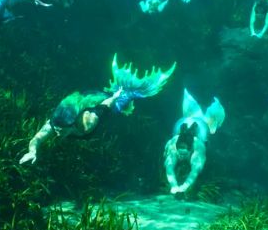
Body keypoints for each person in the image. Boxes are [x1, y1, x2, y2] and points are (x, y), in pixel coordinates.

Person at [19, 54, 176, 164]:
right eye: (57, 128)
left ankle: (130, 89)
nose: (58, 132)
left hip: (102, 103)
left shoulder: (88, 123)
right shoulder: (55, 124)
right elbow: (37, 138)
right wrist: (32, 151)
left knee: (126, 99)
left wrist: (117, 96)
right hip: (81, 100)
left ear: (72, 123)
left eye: (62, 129)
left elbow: (104, 106)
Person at [163, 89, 225, 194]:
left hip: (200, 128)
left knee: (210, 129)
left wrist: (183, 187)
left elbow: (194, 172)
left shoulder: (198, 146)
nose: (182, 155)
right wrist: (174, 186)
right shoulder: (173, 145)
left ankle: (208, 111)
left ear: (190, 148)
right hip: (186, 123)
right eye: (180, 152)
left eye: (184, 153)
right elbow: (168, 167)